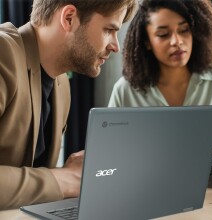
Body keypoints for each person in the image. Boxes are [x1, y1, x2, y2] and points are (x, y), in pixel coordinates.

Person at [0, 0, 137, 210]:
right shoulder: (3, 54)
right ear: (69, 18)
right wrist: (65, 179)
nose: (116, 46)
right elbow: (56, 181)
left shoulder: (62, 84)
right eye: (109, 30)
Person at [108, 0, 212, 107]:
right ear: (147, 42)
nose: (177, 42)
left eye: (184, 30)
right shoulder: (125, 91)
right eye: (163, 34)